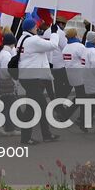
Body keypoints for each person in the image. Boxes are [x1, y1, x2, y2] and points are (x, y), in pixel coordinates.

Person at [15, 17, 60, 145]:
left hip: (26, 77)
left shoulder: (22, 39)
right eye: (35, 26)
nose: (37, 28)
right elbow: (53, 45)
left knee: (31, 107)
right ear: (30, 28)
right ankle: (41, 135)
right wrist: (55, 33)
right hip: (32, 78)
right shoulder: (33, 40)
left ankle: (38, 136)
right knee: (40, 106)